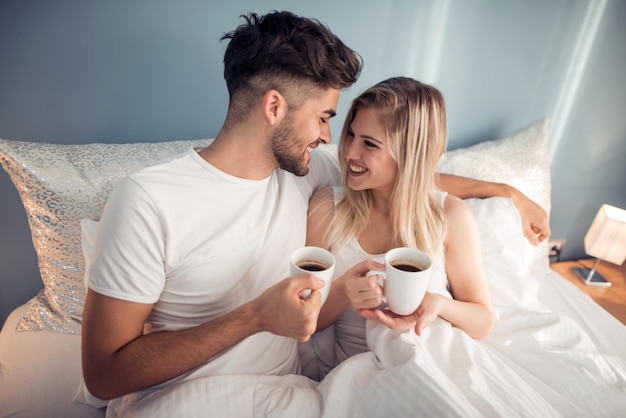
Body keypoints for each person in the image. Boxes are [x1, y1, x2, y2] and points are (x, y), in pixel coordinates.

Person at [79, 11, 549, 414]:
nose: (331, 138)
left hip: (298, 396)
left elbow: (403, 176)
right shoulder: (148, 199)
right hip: (190, 398)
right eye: (325, 116)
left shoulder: (307, 170)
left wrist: (503, 189)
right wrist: (254, 317)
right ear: (274, 107)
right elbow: (103, 375)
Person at [304, 77, 492, 374]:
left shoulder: (450, 217)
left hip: (426, 366)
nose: (350, 152)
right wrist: (342, 293)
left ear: (410, 154)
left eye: (370, 144)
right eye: (351, 135)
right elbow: (307, 323)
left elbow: (482, 320)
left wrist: (439, 304)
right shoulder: (327, 209)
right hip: (354, 376)